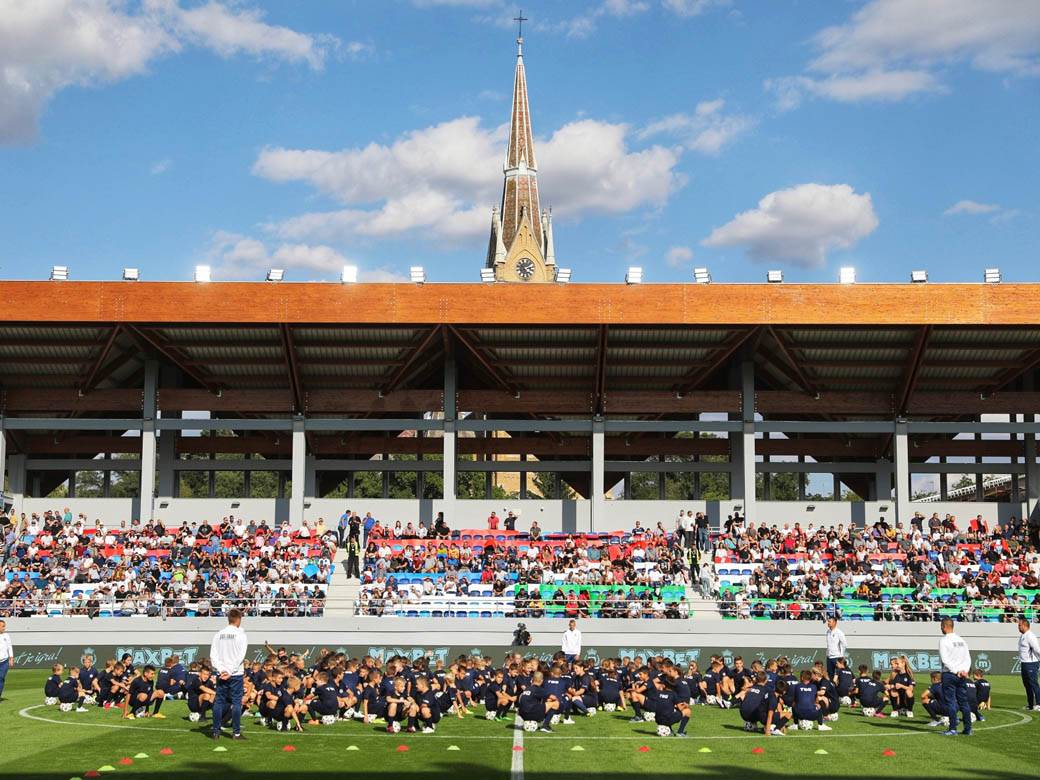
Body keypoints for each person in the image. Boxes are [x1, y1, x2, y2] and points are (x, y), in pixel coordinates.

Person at [210, 608, 249, 740]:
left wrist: (222, 670)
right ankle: (236, 733)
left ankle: (216, 731)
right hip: (236, 673)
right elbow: (240, 656)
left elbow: (213, 656)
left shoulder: (218, 634)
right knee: (237, 702)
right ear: (239, 619)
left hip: (221, 673)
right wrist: (230, 671)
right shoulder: (241, 635)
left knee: (219, 702)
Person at [938, 617, 973, 736]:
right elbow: (968, 658)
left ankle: (953, 728)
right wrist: (964, 671)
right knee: (964, 702)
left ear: (944, 626)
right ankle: (968, 728)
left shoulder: (944, 640)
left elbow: (945, 660)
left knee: (951, 702)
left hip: (950, 674)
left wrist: (956, 671)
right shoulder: (962, 640)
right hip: (962, 675)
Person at [1017, 616, 1040, 711]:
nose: (1018, 627)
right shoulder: (1023, 635)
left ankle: (1039, 704)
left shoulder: (1030, 635)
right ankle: (1030, 705)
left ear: (1025, 625)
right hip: (1024, 663)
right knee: (1027, 685)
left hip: (1031, 663)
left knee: (1033, 684)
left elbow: (1037, 649)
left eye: (1019, 625)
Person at [824, 616, 847, 680]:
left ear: (835, 623)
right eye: (828, 621)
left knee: (838, 675)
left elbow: (844, 644)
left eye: (830, 622)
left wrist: (841, 655)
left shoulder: (839, 632)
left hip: (837, 657)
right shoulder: (828, 632)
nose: (828, 623)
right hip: (829, 657)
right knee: (830, 674)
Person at [0, 619, 13, 702]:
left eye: (4, 626)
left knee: (1, 678)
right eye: (2, 626)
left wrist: (11, 658)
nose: (4, 628)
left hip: (4, 662)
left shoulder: (6, 636)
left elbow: (9, 647)